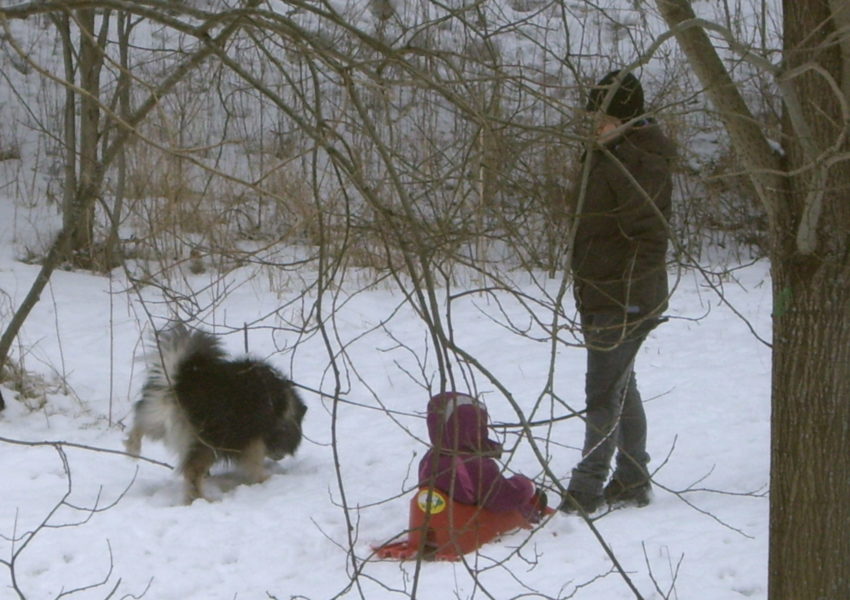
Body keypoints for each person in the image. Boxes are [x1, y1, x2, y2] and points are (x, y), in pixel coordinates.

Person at [560, 70, 676, 514]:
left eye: (602, 115)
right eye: (592, 114)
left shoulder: (636, 162)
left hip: (621, 296)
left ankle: (586, 488)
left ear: (626, 117)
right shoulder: (611, 155)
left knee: (604, 391)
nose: (594, 122)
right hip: (603, 290)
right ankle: (631, 478)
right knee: (620, 387)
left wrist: (629, 295)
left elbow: (650, 237)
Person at [418, 391, 547, 523]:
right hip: (470, 527)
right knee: (516, 503)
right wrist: (525, 485)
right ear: (473, 427)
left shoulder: (429, 459)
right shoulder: (475, 465)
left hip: (434, 522)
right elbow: (502, 498)